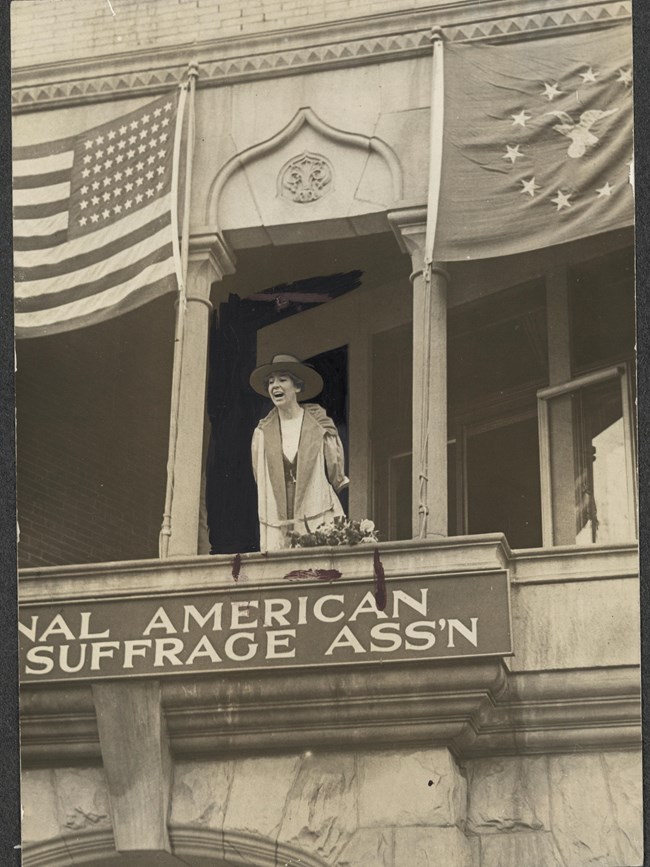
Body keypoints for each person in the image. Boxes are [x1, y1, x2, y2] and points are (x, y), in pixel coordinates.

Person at [250, 353, 349, 551]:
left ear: (297, 386)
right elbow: (259, 477)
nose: (275, 386)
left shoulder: (320, 426)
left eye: (282, 380)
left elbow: (335, 472)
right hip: (277, 517)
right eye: (270, 382)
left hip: (315, 509)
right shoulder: (262, 433)